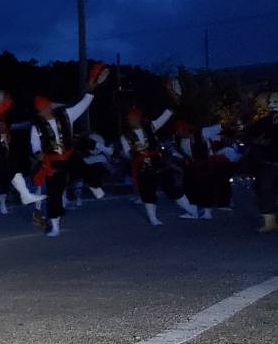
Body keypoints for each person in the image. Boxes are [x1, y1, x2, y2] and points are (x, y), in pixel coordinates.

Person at [28, 72, 103, 238]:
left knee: (84, 168)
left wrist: (90, 91)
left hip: (69, 155)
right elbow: (34, 145)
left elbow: (83, 105)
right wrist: (38, 153)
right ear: (38, 113)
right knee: (53, 195)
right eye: (41, 111)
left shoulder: (66, 115)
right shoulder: (37, 127)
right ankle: (55, 227)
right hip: (52, 161)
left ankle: (95, 187)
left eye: (46, 108)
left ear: (50, 106)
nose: (45, 112)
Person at [119, 102, 198, 225]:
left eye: (134, 116)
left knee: (172, 188)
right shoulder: (125, 136)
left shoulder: (150, 127)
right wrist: (137, 157)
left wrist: (172, 104)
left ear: (138, 117)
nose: (132, 119)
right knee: (148, 192)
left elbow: (164, 117)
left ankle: (191, 211)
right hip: (143, 167)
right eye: (130, 118)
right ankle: (153, 219)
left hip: (159, 163)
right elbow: (127, 153)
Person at [242, 91, 278, 233]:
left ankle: (271, 221)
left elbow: (249, 137)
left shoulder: (264, 122)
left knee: (265, 190)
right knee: (265, 190)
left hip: (269, 163)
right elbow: (249, 137)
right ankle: (270, 221)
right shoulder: (264, 122)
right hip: (269, 163)